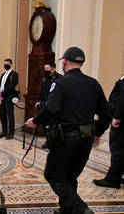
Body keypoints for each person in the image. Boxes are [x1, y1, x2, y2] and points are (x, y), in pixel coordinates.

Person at [25, 47, 112, 214]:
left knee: (53, 175)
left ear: (65, 62)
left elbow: (51, 109)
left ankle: (80, 209)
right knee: (70, 176)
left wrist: (36, 121)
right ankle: (66, 210)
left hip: (65, 139)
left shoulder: (60, 83)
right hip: (86, 139)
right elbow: (106, 114)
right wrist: (98, 134)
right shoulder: (94, 84)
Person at [92, 75, 124, 189]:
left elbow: (122, 97)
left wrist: (117, 116)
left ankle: (113, 180)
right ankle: (116, 175)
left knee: (118, 149)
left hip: (121, 120)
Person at [36, 61, 62, 149]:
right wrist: (38, 101)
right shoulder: (45, 79)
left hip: (53, 105)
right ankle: (48, 141)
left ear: (53, 68)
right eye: (45, 69)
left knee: (53, 124)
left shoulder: (59, 78)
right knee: (45, 124)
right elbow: (42, 92)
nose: (46, 71)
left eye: (47, 69)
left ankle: (53, 142)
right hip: (44, 104)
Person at [0, 59, 18, 140]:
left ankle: (11, 133)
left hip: (8, 98)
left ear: (11, 64)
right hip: (1, 98)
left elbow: (11, 86)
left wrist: (2, 93)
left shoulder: (14, 74)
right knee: (2, 115)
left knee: (10, 116)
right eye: (5, 64)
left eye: (7, 64)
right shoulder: (3, 74)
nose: (6, 65)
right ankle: (4, 131)